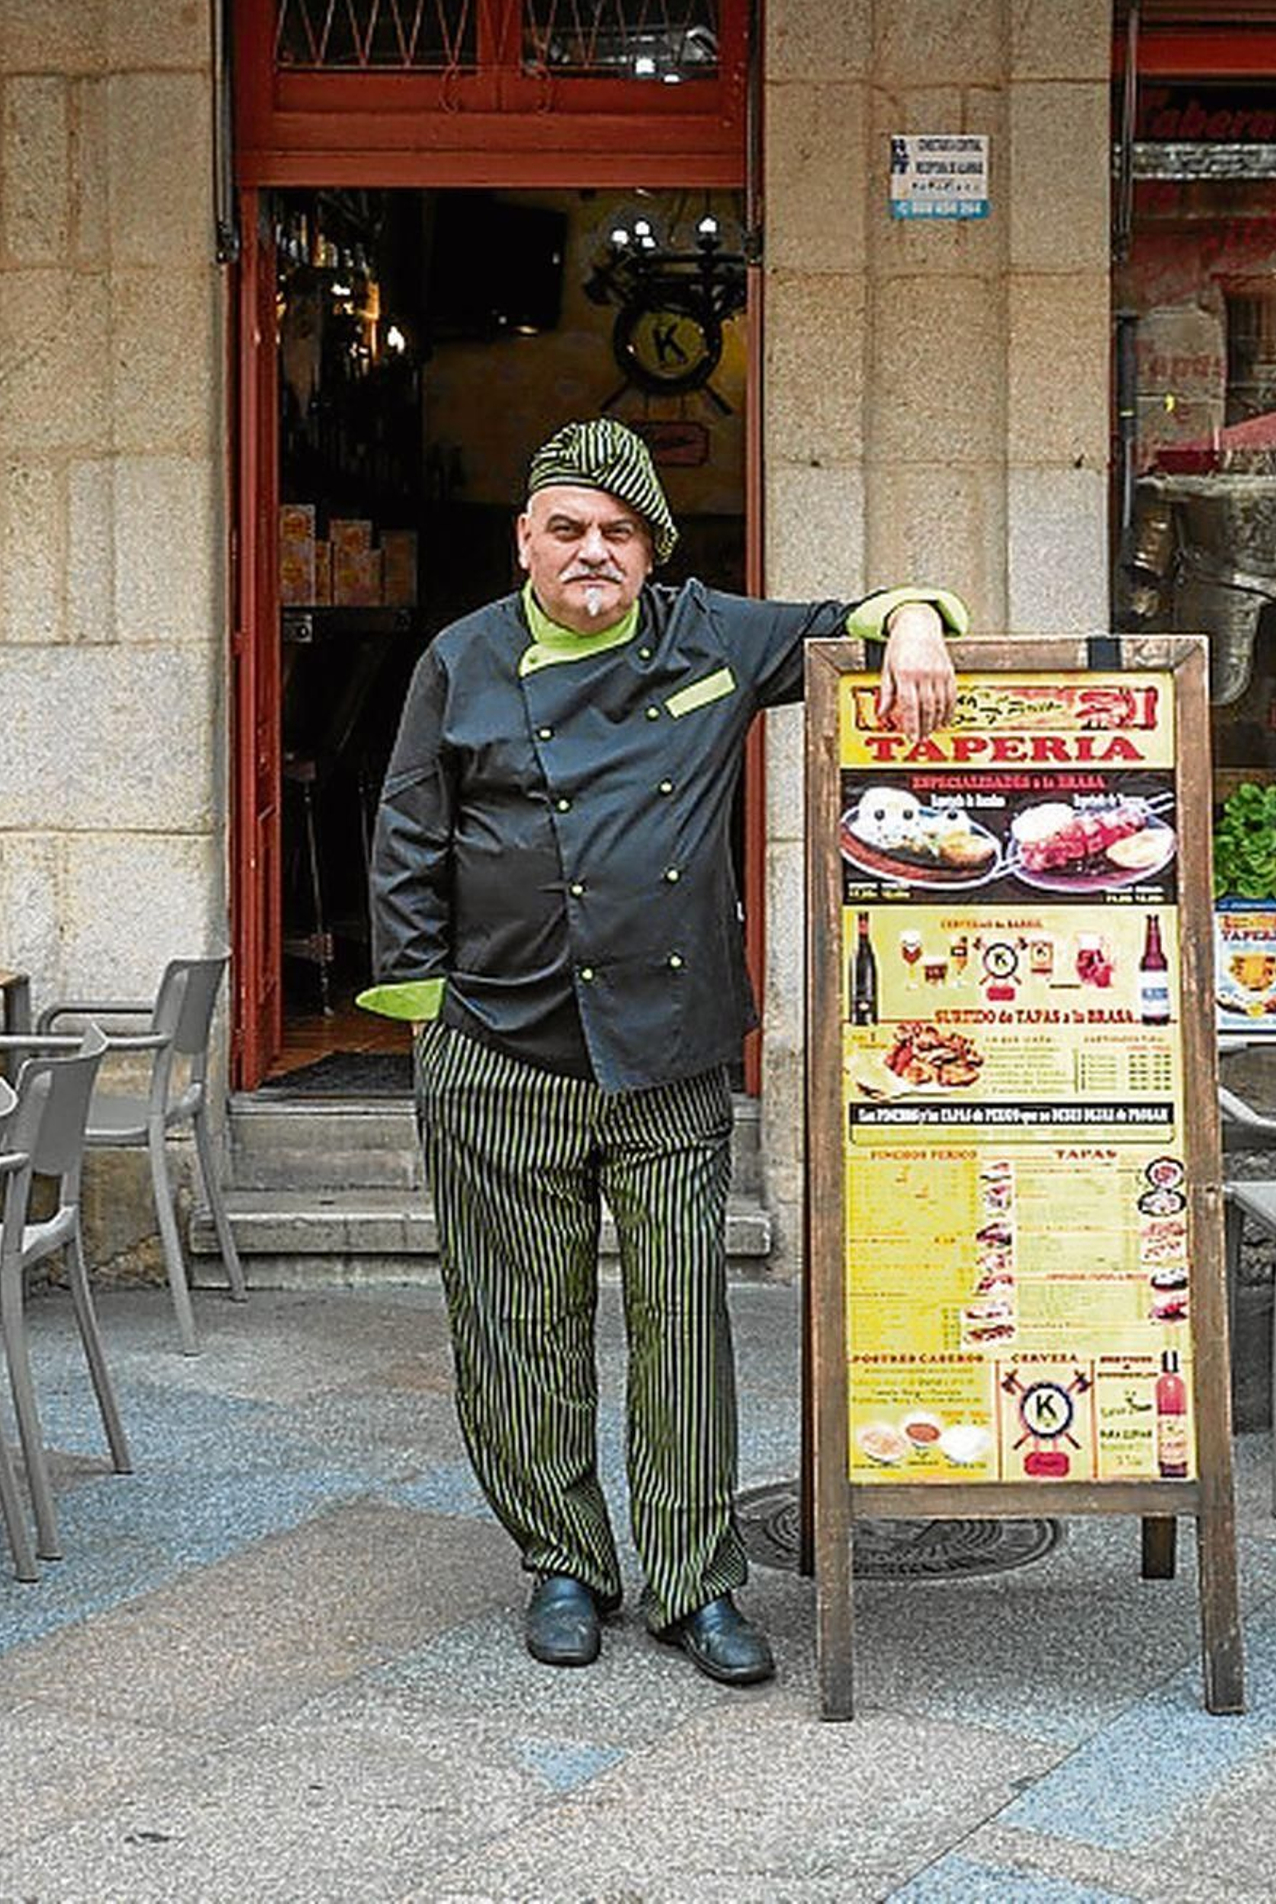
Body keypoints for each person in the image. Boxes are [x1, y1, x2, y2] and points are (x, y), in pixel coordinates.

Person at [364, 418, 964, 1687]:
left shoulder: (709, 636)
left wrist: (912, 625)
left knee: (683, 1319)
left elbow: (858, 611)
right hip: (499, 1049)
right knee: (518, 1320)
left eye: (620, 533)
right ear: (525, 537)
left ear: (654, 553)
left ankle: (695, 1583)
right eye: (569, 527)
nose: (594, 550)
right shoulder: (460, 659)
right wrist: (429, 1018)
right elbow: (410, 829)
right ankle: (564, 1560)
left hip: (668, 1051)